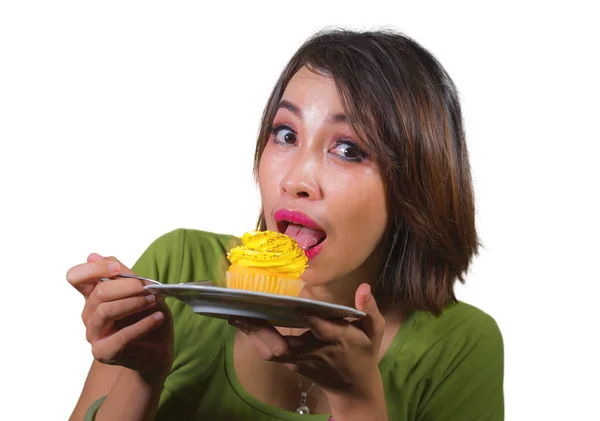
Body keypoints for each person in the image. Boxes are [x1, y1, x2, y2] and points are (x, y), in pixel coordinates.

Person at [67, 28, 504, 421]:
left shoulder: (460, 347)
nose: (294, 180)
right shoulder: (178, 267)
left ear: (416, 185)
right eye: (286, 134)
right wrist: (144, 376)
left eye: (348, 148)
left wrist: (357, 401)